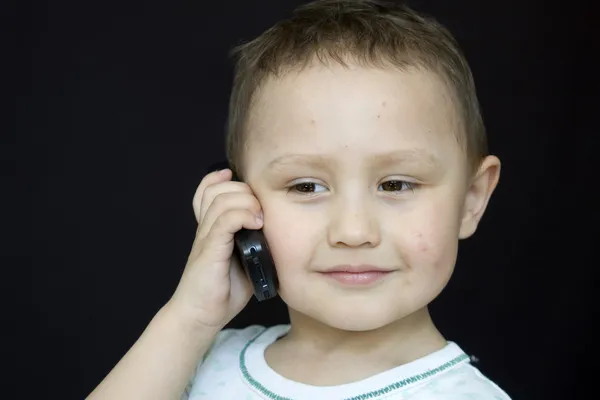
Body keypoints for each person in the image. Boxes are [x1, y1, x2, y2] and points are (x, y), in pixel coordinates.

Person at [88, 0, 510, 398]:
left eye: (395, 185)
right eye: (306, 186)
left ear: (471, 199)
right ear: (240, 201)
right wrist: (190, 318)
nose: (353, 232)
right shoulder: (192, 359)